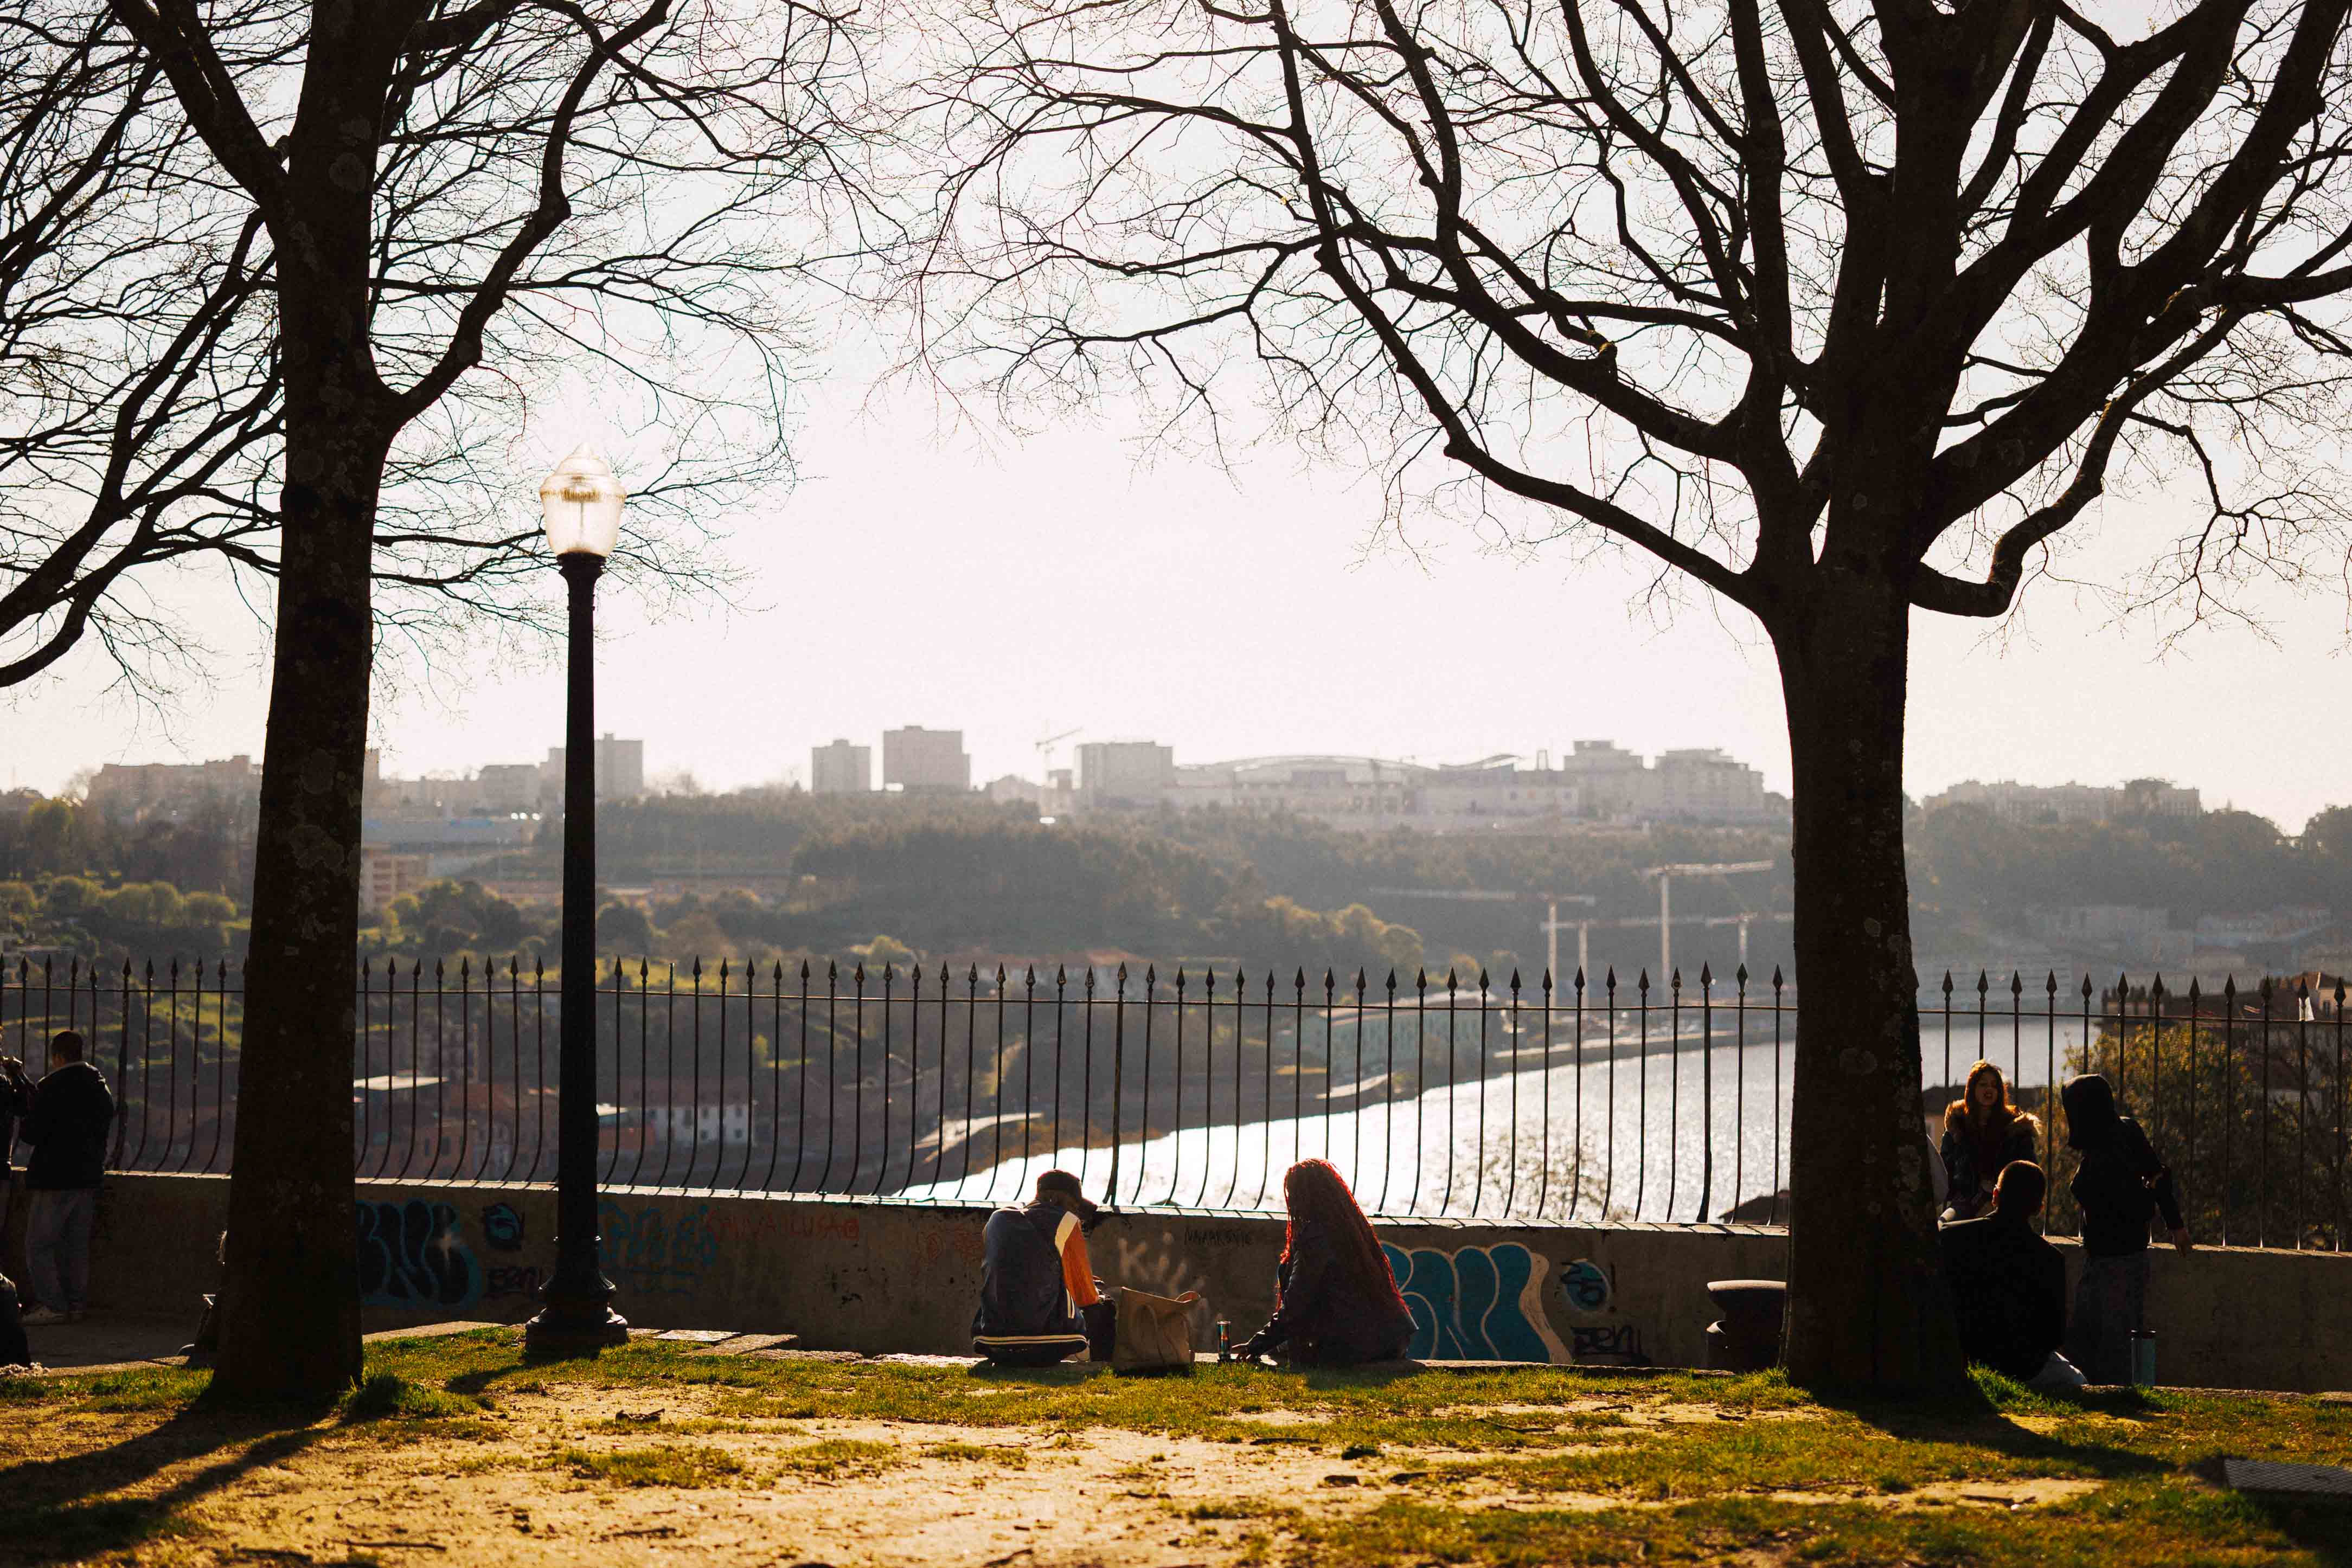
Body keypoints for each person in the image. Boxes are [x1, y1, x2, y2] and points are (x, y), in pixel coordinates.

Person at [2061, 1072, 2188, 1384]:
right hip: (2108, 1255)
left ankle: (2112, 1394)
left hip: (2118, 1257)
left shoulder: (2108, 1147)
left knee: (2108, 1340)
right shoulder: (2124, 1132)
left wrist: (2175, 1225)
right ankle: (2098, 1391)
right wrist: (2176, 1226)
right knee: (2090, 1334)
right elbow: (2158, 1179)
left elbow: (2140, 1189)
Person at [1234, 1160, 1413, 1367]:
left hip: (1357, 1343)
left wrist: (1255, 1345)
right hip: (1391, 1337)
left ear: (1304, 1198)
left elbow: (1297, 1304)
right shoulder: (1353, 1229)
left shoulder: (1316, 1238)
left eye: (1293, 1195)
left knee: (1283, 1348)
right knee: (1283, 1346)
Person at [1938, 1160, 2084, 1389]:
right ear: (2039, 1208)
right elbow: (2054, 1335)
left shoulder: (1952, 1238)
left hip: (1967, 1358)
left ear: (1995, 1195)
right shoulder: (2051, 1259)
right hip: (2024, 1367)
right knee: (2078, 1382)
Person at [20, 1030, 116, 1327]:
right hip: (88, 1176)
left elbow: (31, 1133)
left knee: (39, 1245)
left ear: (58, 1057)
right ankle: (76, 1304)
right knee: (75, 1245)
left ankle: (53, 1304)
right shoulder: (100, 1087)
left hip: (56, 1175)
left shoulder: (52, 1086)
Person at [972, 1168, 1104, 1365]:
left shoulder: (996, 1221)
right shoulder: (1067, 1222)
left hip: (993, 1342)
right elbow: (1085, 1296)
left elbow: (1017, 1269)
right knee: (1104, 1305)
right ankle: (1098, 1364)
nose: (1075, 1213)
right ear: (1053, 1198)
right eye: (1073, 1206)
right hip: (1047, 1344)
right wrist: (1093, 1289)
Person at [1938, 1059, 2037, 1222]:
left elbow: (2028, 1170)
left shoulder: (2016, 1127)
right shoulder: (1957, 1124)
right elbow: (1945, 1170)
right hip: (1966, 1201)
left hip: (2005, 1204)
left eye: (1994, 1085)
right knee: (1942, 1228)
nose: (1989, 1089)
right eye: (1983, 1085)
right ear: (1972, 1089)